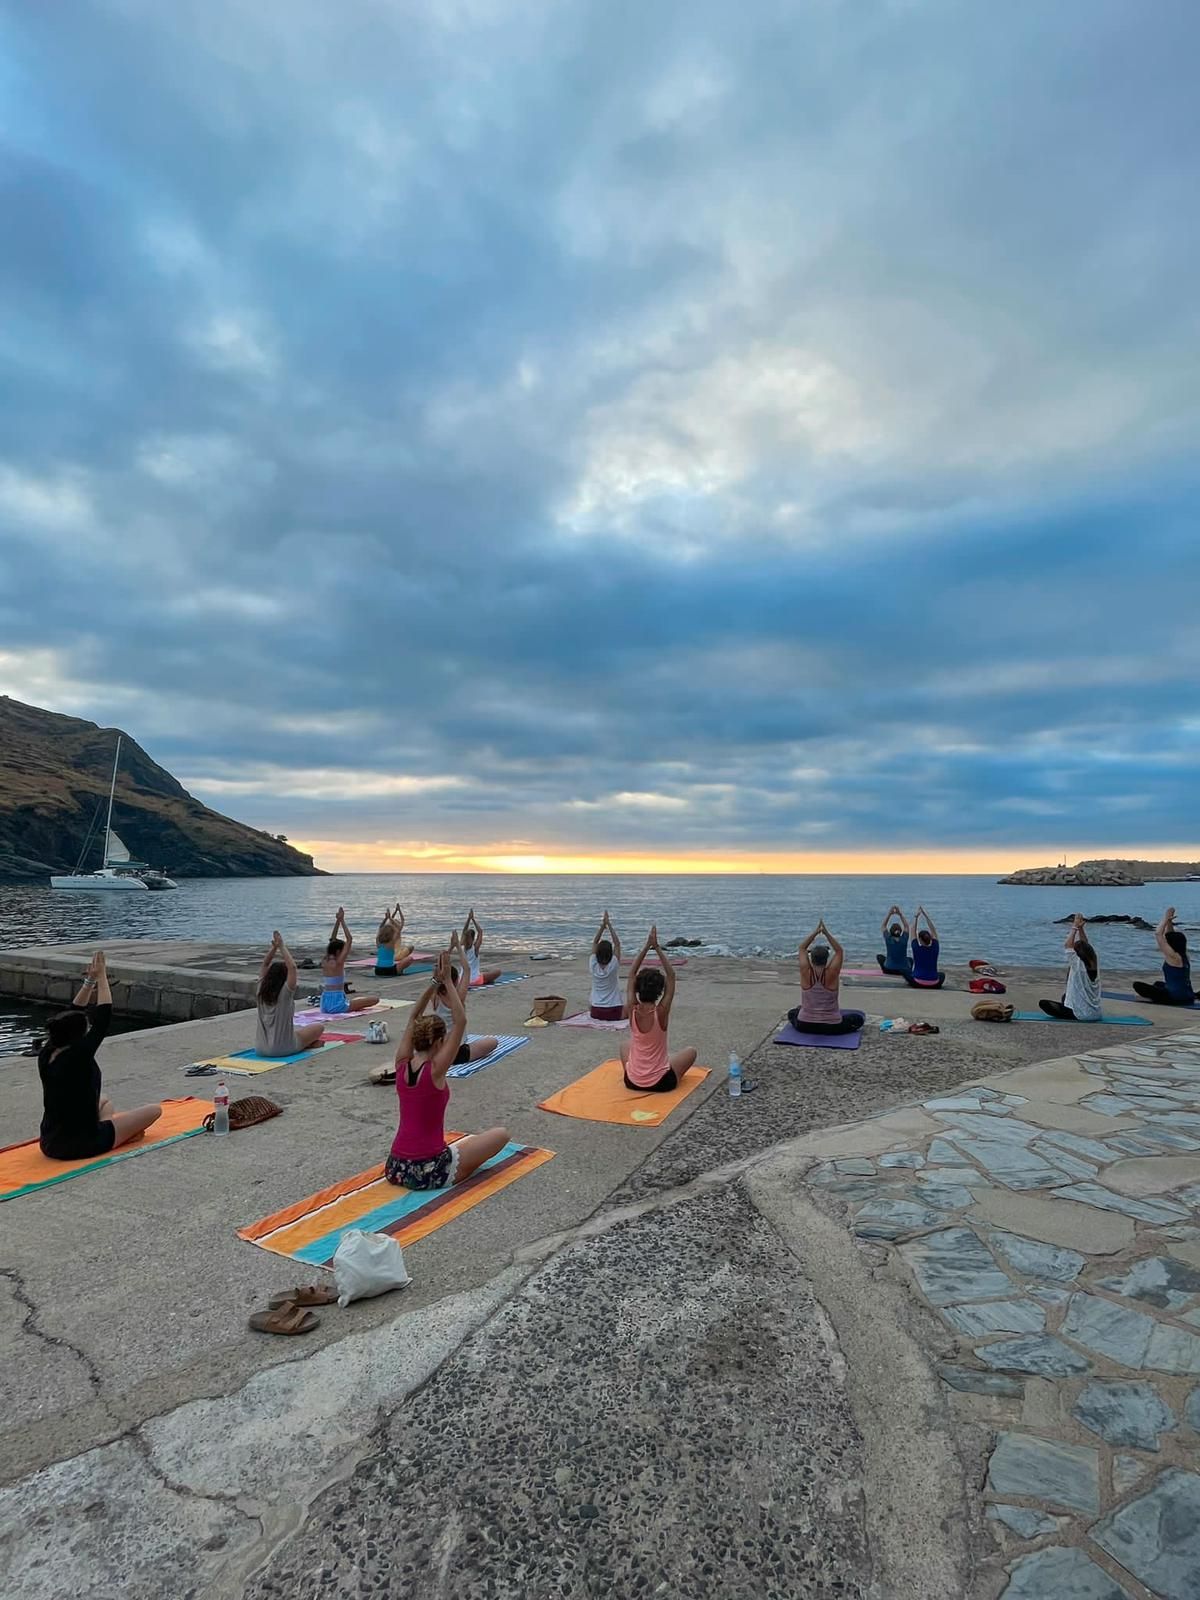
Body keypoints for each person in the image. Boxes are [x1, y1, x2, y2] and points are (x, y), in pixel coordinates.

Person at [384, 952, 508, 1189]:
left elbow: (413, 1016)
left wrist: (434, 983)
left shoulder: (401, 1064)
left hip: (396, 1167)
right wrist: (448, 982)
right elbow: (460, 1020)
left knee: (466, 1144)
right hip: (428, 1170)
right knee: (501, 1134)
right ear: (440, 1043)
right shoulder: (436, 1070)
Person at [38, 951, 161, 1161]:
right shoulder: (79, 1056)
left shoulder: (48, 1050)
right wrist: (103, 977)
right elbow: (104, 1017)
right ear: (78, 1036)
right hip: (79, 1145)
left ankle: (116, 1131)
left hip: (49, 1142)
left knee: (105, 1102)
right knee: (154, 1110)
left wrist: (90, 980)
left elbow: (72, 1011)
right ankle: (120, 1136)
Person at [620, 926, 697, 1091]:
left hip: (632, 1081)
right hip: (661, 1083)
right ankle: (661, 1065)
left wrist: (646, 947)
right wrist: (657, 948)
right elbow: (671, 976)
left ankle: (642, 1071)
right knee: (691, 1051)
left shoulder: (632, 1008)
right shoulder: (661, 1012)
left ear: (637, 989)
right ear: (659, 991)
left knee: (625, 1046)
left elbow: (632, 974)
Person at [787, 920, 866, 1035]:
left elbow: (802, 948)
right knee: (858, 1019)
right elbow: (839, 951)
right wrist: (826, 933)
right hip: (831, 1027)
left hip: (805, 1025)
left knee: (792, 1013)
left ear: (811, 958)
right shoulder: (832, 973)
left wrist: (815, 932)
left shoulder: (805, 972)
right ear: (827, 959)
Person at [257, 932, 325, 1055]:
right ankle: (308, 1044)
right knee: (318, 1027)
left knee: (299, 1034)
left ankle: (308, 1044)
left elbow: (265, 964)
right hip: (284, 1049)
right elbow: (292, 967)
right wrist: (281, 946)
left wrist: (274, 948)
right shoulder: (285, 993)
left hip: (261, 1048)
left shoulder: (261, 991)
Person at [1039, 914, 1102, 1021]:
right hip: (1095, 1014)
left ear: (1077, 954)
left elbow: (1067, 945)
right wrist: (1081, 928)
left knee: (1044, 1004)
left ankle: (1072, 1014)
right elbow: (1086, 945)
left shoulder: (1077, 964)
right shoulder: (1094, 963)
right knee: (1065, 996)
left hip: (1080, 1015)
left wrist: (1074, 926)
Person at [1134, 907, 1197, 1007]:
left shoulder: (1173, 957)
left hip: (1175, 998)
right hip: (1187, 995)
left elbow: (1158, 934)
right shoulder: (1184, 955)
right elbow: (1169, 935)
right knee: (1158, 984)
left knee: (1137, 985)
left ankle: (1155, 998)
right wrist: (1169, 922)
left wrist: (1165, 917)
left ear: (1171, 944)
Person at [321, 908, 380, 1014]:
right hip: (337, 1004)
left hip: (324, 1003)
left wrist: (338, 921)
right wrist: (342, 920)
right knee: (375, 1000)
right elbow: (349, 939)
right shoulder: (338, 962)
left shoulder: (325, 960)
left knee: (357, 1000)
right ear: (339, 951)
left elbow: (332, 940)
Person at [589, 911, 624, 1020]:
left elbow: (595, 942)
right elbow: (617, 944)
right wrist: (609, 925)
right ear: (610, 953)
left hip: (596, 1011)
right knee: (631, 1007)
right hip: (614, 1010)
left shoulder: (593, 964)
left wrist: (602, 927)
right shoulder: (613, 964)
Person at [905, 907, 945, 988]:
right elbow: (933, 930)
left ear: (919, 939)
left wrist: (916, 917)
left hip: (917, 982)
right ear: (930, 938)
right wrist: (925, 915)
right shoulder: (935, 947)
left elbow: (913, 931)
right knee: (942, 975)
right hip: (934, 983)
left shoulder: (916, 948)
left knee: (905, 972)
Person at [461, 908, 501, 987]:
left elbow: (464, 930)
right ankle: (485, 979)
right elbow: (480, 931)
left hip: (461, 980)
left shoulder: (461, 947)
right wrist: (473, 919)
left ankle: (484, 977)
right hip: (474, 980)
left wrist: (469, 919)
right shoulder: (475, 948)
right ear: (473, 939)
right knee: (498, 971)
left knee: (484, 973)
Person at [375, 905, 415, 979]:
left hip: (377, 970)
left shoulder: (378, 942)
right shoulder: (391, 943)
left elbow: (380, 928)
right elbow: (399, 928)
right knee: (410, 958)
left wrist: (386, 919)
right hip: (389, 971)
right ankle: (400, 971)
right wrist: (390, 918)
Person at [876, 906, 912, 976]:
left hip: (889, 969)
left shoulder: (888, 938)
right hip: (903, 970)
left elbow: (883, 926)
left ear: (891, 931)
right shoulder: (904, 939)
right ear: (901, 931)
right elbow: (906, 926)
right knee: (910, 959)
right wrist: (900, 914)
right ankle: (908, 970)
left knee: (879, 957)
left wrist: (889, 914)